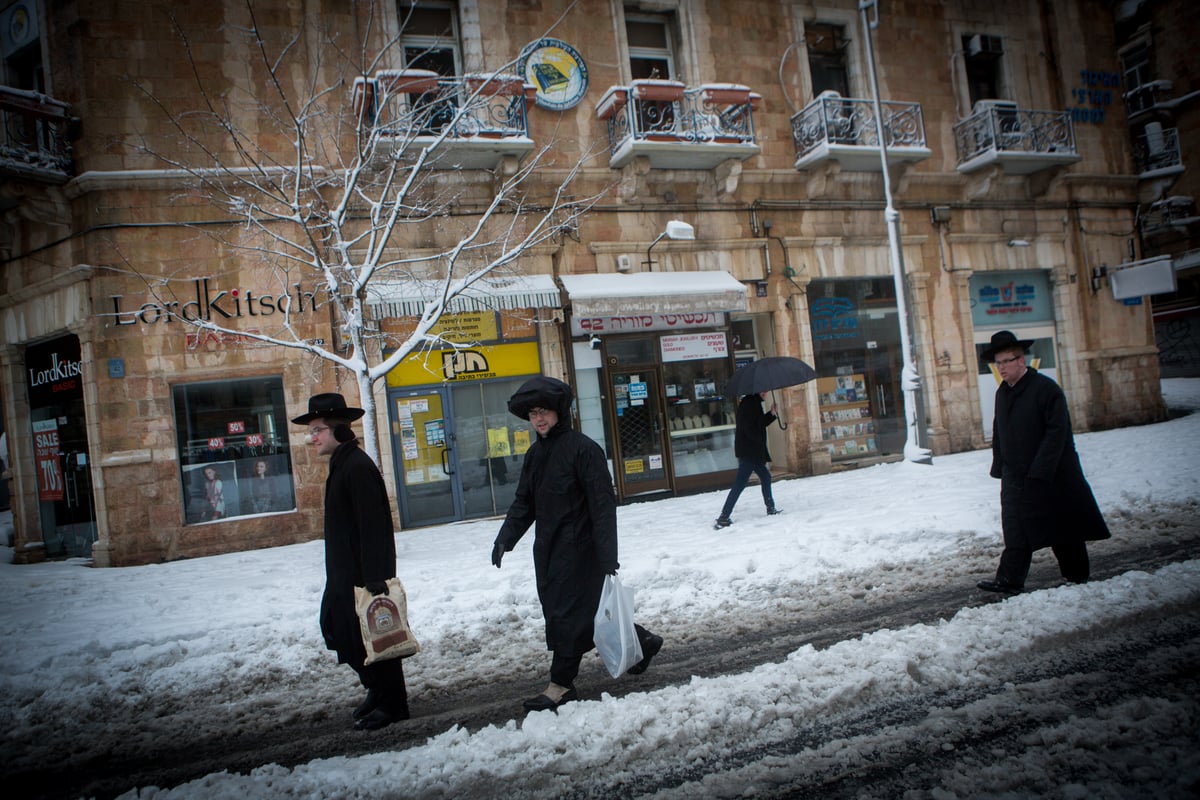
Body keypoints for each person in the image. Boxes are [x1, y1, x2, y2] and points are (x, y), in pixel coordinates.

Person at [491, 376, 663, 712]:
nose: (538, 419)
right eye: (533, 413)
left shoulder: (584, 450)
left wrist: (607, 555)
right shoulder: (534, 456)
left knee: (568, 617)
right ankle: (643, 642)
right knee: (581, 615)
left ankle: (561, 685)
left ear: (559, 412)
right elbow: (524, 503)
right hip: (549, 549)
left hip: (582, 551)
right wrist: (505, 538)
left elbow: (602, 507)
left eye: (544, 411)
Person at [292, 392, 409, 730]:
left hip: (364, 575)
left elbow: (373, 527)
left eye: (317, 431)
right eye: (312, 431)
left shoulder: (357, 467)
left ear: (338, 431)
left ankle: (394, 704)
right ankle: (375, 688)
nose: (312, 438)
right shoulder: (342, 463)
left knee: (378, 638)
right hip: (344, 573)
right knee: (338, 631)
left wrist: (376, 578)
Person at [977, 331, 1111, 595]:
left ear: (1021, 359)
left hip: (1050, 475)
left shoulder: (1046, 390)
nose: (1002, 367)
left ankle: (1076, 576)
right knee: (1015, 526)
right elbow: (1000, 431)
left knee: (1061, 526)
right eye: (998, 362)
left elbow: (1056, 434)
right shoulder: (1003, 392)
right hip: (1015, 475)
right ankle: (1009, 580)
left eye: (1006, 361)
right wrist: (1000, 466)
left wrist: (1040, 471)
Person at [714, 391, 780, 528]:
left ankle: (771, 508)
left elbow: (759, 424)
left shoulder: (753, 403)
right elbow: (749, 428)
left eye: (766, 391)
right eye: (763, 391)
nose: (765, 393)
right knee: (739, 484)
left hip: (753, 451)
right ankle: (724, 516)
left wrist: (771, 414)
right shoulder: (749, 404)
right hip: (749, 452)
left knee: (766, 477)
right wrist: (758, 442)